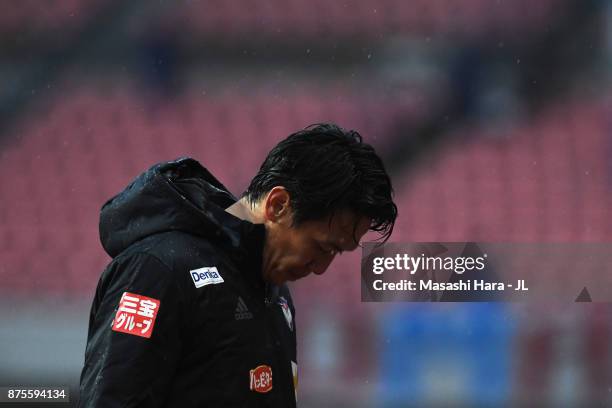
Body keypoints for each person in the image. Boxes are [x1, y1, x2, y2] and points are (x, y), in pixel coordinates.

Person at [78, 123, 397, 407]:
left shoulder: (275, 293)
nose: (321, 268)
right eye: (322, 247)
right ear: (278, 205)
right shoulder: (157, 271)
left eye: (337, 253)